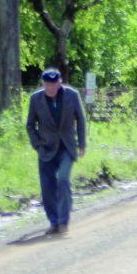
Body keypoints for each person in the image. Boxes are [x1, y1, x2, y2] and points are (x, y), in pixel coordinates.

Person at [25, 68, 86, 235]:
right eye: (47, 85)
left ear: (60, 83)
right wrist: (37, 145)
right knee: (47, 187)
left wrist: (82, 143)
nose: (50, 88)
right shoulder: (35, 99)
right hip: (46, 149)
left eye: (54, 84)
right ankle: (54, 222)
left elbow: (80, 120)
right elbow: (30, 125)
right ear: (43, 84)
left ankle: (63, 221)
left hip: (66, 147)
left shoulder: (72, 95)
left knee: (63, 179)